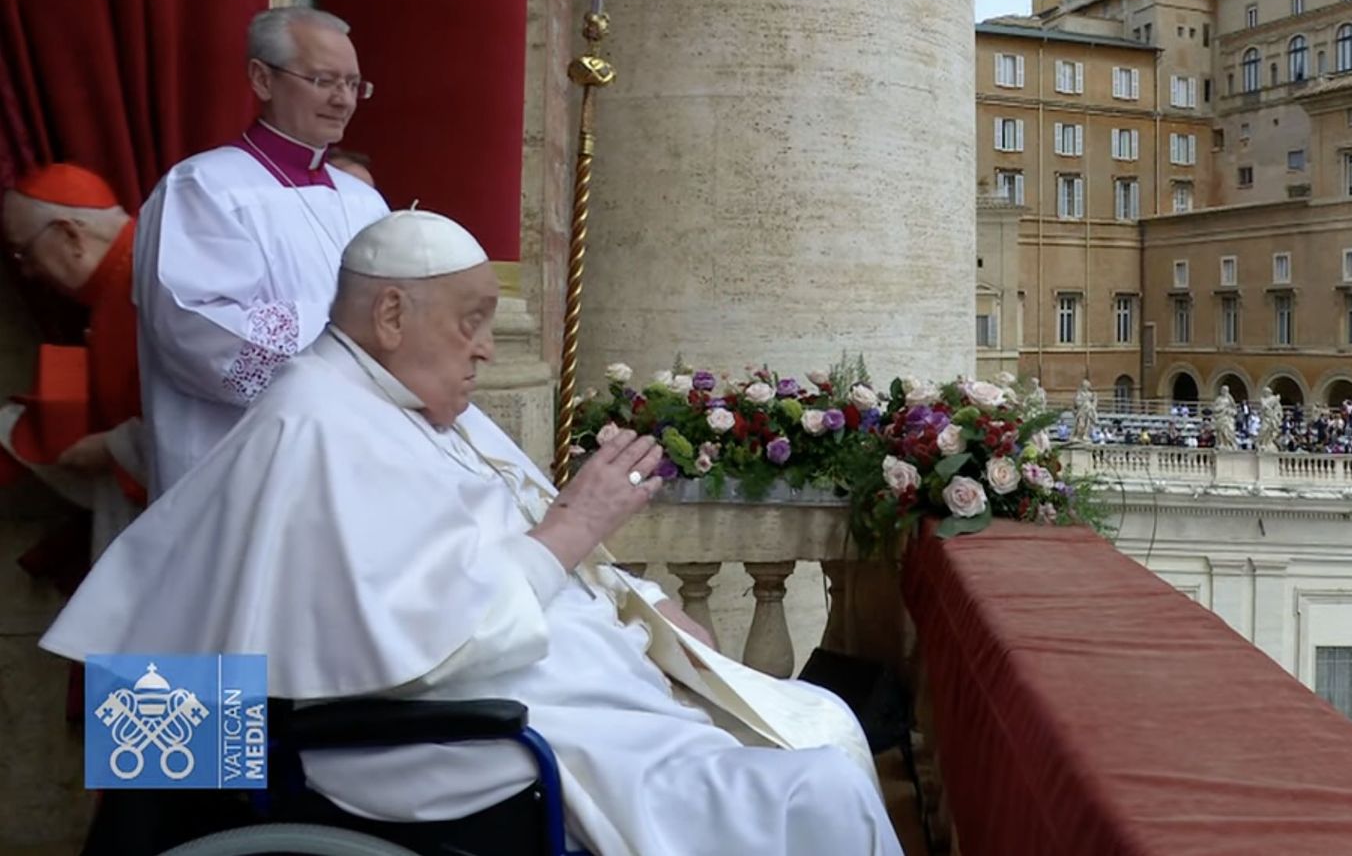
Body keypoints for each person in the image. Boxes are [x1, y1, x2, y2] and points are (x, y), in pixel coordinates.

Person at [43, 210, 900, 856]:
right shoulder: (315, 427)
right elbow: (433, 636)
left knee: (819, 723)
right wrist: (577, 522)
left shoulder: (413, 403)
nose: (488, 348)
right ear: (389, 316)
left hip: (548, 687)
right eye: (474, 319)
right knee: (813, 794)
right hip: (455, 735)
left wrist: (644, 606)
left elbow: (521, 536)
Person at [134, 6, 388, 497]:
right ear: (262, 79)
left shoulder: (365, 201)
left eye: (354, 85)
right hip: (240, 461)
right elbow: (197, 332)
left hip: (354, 452)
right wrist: (359, 334)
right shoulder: (203, 188)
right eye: (323, 80)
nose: (343, 101)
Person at [1, 164, 145, 560]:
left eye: (24, 253)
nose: (28, 271)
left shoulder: (154, 281)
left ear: (69, 234)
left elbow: (218, 415)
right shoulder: (116, 288)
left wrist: (111, 447)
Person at [1071, 377, 1098, 443]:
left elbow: (1094, 404)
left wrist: (1095, 399)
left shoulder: (1091, 394)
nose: (1085, 387)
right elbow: (1077, 403)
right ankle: (1078, 436)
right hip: (1081, 412)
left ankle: (1085, 436)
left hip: (1088, 412)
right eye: (1084, 385)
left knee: (1088, 424)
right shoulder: (1079, 394)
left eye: (1086, 385)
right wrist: (1084, 403)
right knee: (1081, 424)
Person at [1257, 389, 1282, 454]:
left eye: (1267, 392)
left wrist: (1276, 414)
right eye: (1264, 392)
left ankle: (1266, 444)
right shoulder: (1263, 399)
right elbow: (1263, 407)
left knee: (1269, 432)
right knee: (1263, 430)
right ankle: (1260, 442)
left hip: (1272, 418)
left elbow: (1278, 408)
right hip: (1266, 418)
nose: (1265, 393)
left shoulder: (1273, 398)